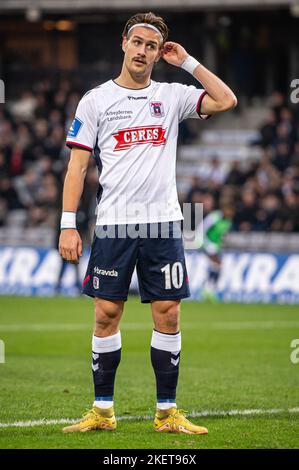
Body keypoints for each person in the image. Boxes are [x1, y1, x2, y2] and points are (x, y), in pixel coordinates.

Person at [59, 11, 237, 435]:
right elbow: (76, 167)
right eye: (137, 42)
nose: (142, 51)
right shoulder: (96, 100)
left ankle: (167, 413)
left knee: (168, 313)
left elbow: (226, 100)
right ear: (124, 43)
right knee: (105, 314)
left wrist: (189, 62)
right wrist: (68, 224)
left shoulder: (172, 95)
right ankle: (102, 411)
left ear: (160, 53)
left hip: (162, 224)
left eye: (152, 46)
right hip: (115, 225)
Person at [197, 202, 235, 301]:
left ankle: (208, 289)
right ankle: (208, 290)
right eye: (228, 210)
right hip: (207, 244)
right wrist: (202, 242)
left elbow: (222, 234)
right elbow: (202, 228)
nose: (230, 213)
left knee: (216, 267)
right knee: (217, 265)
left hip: (217, 247)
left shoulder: (228, 221)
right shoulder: (214, 217)